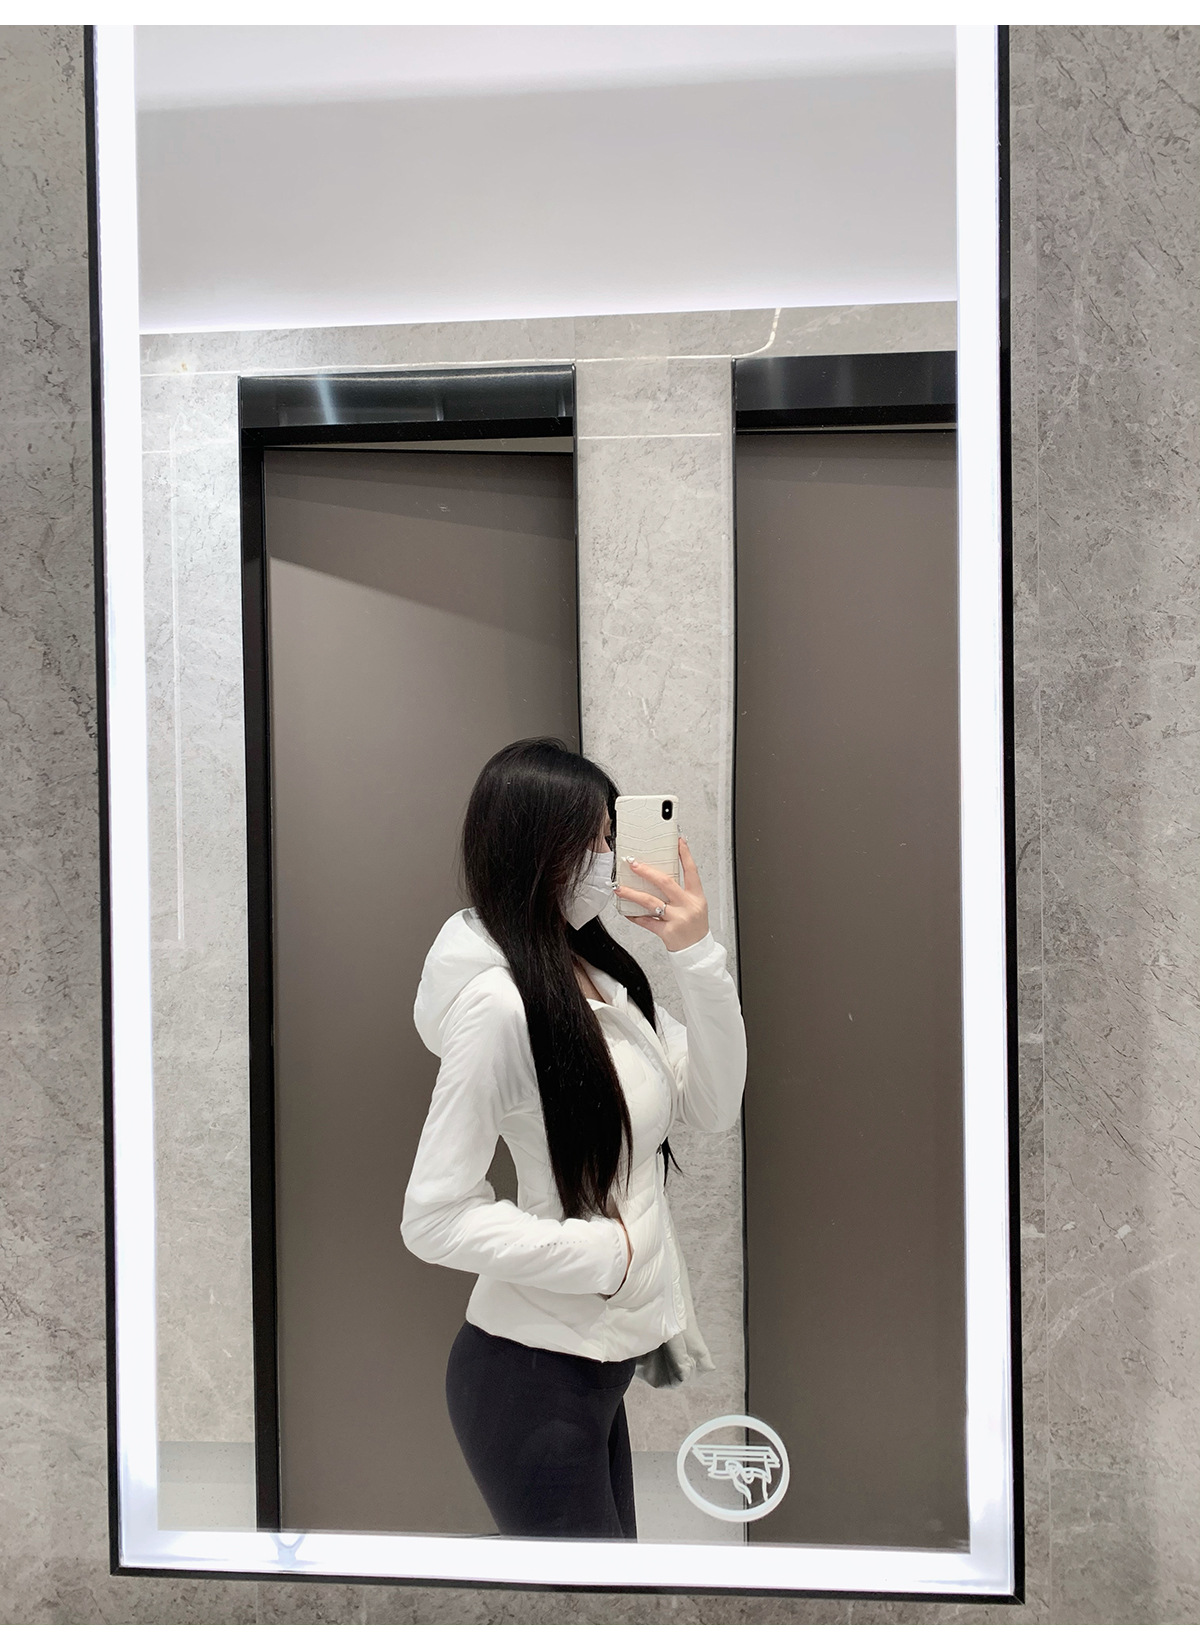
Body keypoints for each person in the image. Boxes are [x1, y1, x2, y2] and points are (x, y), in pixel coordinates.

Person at [401, 738, 746, 1541]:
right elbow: (432, 1217)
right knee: (589, 1603)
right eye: (589, 840)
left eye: (610, 836)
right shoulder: (498, 1005)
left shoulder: (600, 974)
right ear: (533, 848)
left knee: (615, 1595)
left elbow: (715, 1104)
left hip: (595, 1365)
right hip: (529, 1374)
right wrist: (604, 1258)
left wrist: (695, 954)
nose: (608, 859)